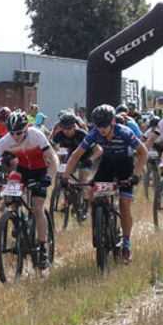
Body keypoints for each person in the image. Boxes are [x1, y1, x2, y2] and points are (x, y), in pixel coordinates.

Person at [61, 104, 148, 264]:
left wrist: (135, 175)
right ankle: (100, 224)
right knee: (93, 192)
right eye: (98, 126)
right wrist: (65, 176)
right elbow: (75, 155)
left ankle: (126, 244)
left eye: (104, 125)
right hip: (107, 164)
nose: (101, 129)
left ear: (113, 122)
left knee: (124, 204)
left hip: (125, 165)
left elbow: (143, 153)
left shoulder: (125, 133)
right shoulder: (93, 134)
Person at [0, 110, 60, 256]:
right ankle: (16, 217)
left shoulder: (36, 135)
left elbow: (53, 158)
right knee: (12, 180)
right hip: (22, 170)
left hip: (41, 171)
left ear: (26, 129)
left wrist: (49, 178)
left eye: (19, 133)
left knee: (37, 207)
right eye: (12, 133)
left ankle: (43, 247)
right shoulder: (5, 140)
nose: (15, 137)